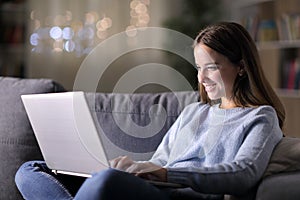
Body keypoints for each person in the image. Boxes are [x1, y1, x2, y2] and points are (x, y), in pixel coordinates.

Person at [15, 22, 285, 200]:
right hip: (155, 189)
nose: (202, 78)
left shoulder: (261, 117)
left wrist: (166, 174)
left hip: (182, 196)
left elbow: (243, 173)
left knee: (105, 183)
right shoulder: (194, 112)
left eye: (212, 67)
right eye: (198, 67)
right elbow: (161, 160)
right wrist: (135, 168)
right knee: (31, 169)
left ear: (241, 67)